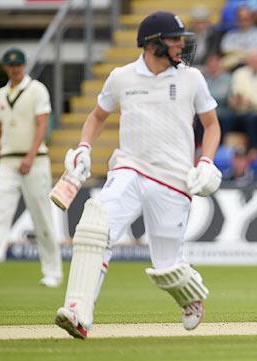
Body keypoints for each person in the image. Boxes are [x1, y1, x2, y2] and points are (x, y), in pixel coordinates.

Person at [54, 11, 222, 339]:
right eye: (173, 40)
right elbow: (97, 115)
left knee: (167, 265)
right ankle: (78, 312)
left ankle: (191, 297)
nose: (180, 45)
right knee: (95, 228)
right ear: (152, 44)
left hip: (174, 178)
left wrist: (206, 162)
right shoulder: (121, 77)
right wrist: (84, 146)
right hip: (129, 168)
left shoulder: (192, 78)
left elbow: (212, 124)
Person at [0, 48, 62, 289]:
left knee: (42, 218)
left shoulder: (36, 89)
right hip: (8, 161)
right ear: (5, 67)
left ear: (24, 65)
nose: (15, 69)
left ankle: (52, 272)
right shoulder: (0, 94)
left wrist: (30, 156)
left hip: (36, 161)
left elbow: (42, 126)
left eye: (18, 65)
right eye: (11, 66)